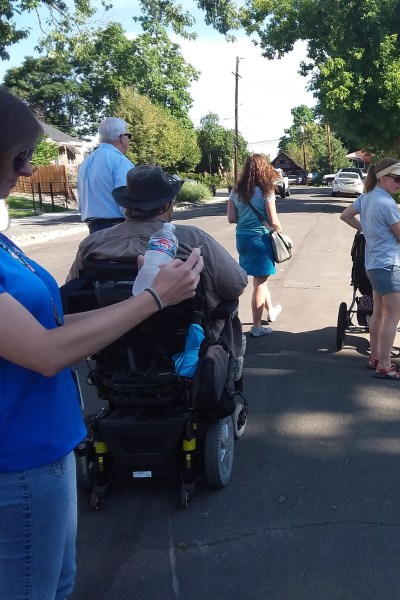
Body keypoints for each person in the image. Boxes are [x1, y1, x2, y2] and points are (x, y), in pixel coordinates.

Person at [0, 87, 203, 600]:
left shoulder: (90, 243)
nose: (27, 172)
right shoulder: (186, 241)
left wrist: (134, 297)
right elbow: (44, 352)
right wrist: (154, 298)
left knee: (58, 584)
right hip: (17, 458)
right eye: (21, 157)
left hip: (49, 443)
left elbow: (50, 317)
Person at [68, 164, 248, 341]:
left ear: (127, 205)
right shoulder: (194, 239)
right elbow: (235, 285)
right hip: (182, 341)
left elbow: (72, 293)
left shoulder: (92, 244)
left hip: (112, 343)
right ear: (166, 205)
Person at [340, 157, 400, 381]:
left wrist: (366, 230)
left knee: (379, 313)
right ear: (384, 178)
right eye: (397, 178)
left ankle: (375, 356)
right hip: (388, 265)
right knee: (393, 315)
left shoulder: (366, 197)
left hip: (372, 264)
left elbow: (345, 215)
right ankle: (385, 364)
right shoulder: (387, 203)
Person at [227, 153, 284, 337]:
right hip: (260, 239)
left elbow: (231, 218)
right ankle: (257, 327)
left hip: (242, 239)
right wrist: (281, 234)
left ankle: (271, 310)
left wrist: (246, 219)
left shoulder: (236, 191)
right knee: (260, 283)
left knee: (261, 279)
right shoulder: (267, 190)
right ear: (264, 168)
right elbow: (274, 220)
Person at [77, 117, 135, 233]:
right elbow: (126, 200)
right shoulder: (119, 161)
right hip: (117, 227)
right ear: (122, 137)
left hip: (93, 227)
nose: (128, 140)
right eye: (128, 136)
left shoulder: (86, 162)